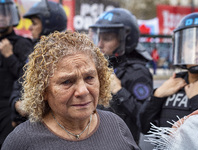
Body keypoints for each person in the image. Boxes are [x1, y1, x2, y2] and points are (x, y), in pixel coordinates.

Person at [2, 31, 140, 150]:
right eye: (67, 81)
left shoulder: (116, 126)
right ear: (43, 90)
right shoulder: (22, 141)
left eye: (89, 78)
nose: (83, 91)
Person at [89, 8, 153, 144]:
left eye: (106, 38)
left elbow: (145, 118)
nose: (100, 44)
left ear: (126, 39)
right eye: (99, 38)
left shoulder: (138, 72)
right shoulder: (105, 66)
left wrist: (119, 90)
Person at [139, 12, 198, 135]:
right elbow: (144, 127)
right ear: (181, 51)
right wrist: (157, 96)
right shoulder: (174, 84)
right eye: (190, 45)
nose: (197, 50)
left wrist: (196, 100)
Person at [9, 0, 67, 127]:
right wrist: (16, 104)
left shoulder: (64, 56)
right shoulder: (34, 52)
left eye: (34, 23)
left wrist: (27, 106)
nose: (30, 27)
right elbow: (19, 83)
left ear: (48, 24)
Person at [0, 0, 33, 147]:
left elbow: (27, 77)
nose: (1, 18)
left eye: (5, 14)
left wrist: (9, 57)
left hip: (8, 107)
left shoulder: (22, 44)